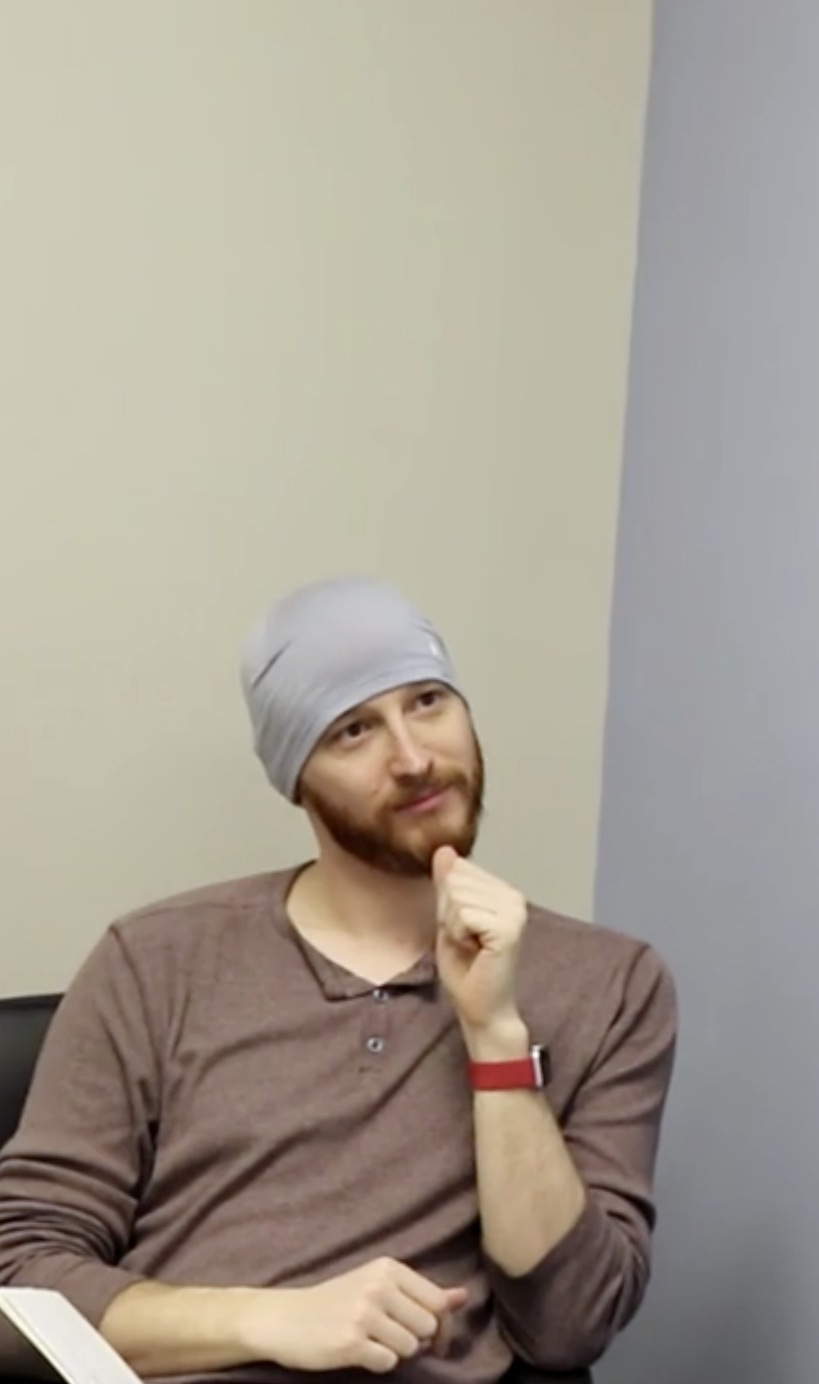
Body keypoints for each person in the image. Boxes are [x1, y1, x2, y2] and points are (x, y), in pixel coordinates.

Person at [0, 575, 680, 1383]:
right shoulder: (154, 958)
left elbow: (570, 1325)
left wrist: (495, 1035)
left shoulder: (610, 983)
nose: (414, 756)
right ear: (297, 776)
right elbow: (20, 1281)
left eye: (428, 700)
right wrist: (272, 1317)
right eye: (354, 729)